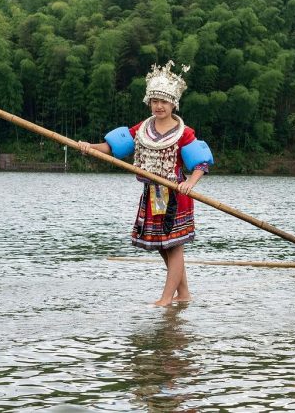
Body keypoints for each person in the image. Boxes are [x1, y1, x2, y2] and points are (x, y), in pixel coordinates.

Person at [78, 60, 213, 307]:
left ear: (174, 103)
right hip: (152, 195)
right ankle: (183, 295)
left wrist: (189, 184)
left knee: (174, 246)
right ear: (149, 102)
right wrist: (90, 147)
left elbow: (201, 164)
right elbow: (114, 147)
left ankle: (166, 298)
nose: (159, 106)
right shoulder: (143, 128)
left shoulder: (184, 132)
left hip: (176, 196)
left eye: (164, 101)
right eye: (155, 101)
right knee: (163, 246)